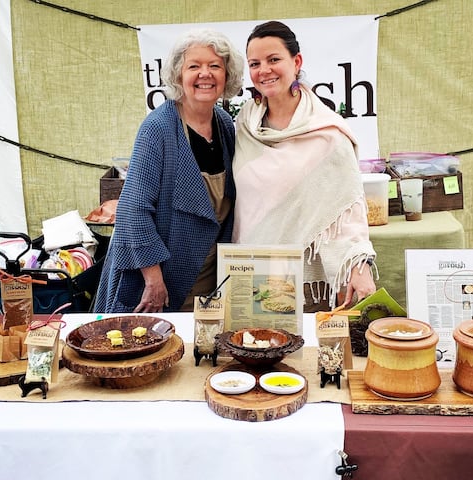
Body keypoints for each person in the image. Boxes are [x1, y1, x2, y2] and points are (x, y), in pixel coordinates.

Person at [95, 29, 244, 313]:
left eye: (215, 66)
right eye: (194, 66)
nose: (205, 74)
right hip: (160, 280)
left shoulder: (225, 125)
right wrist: (153, 280)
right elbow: (133, 210)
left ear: (227, 76)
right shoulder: (158, 128)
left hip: (210, 281)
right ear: (178, 75)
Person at [233, 20, 377, 311]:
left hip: (305, 286)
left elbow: (345, 211)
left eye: (274, 59)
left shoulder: (329, 135)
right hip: (249, 270)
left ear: (296, 62)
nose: (264, 70)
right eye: (255, 63)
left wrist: (357, 264)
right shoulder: (244, 125)